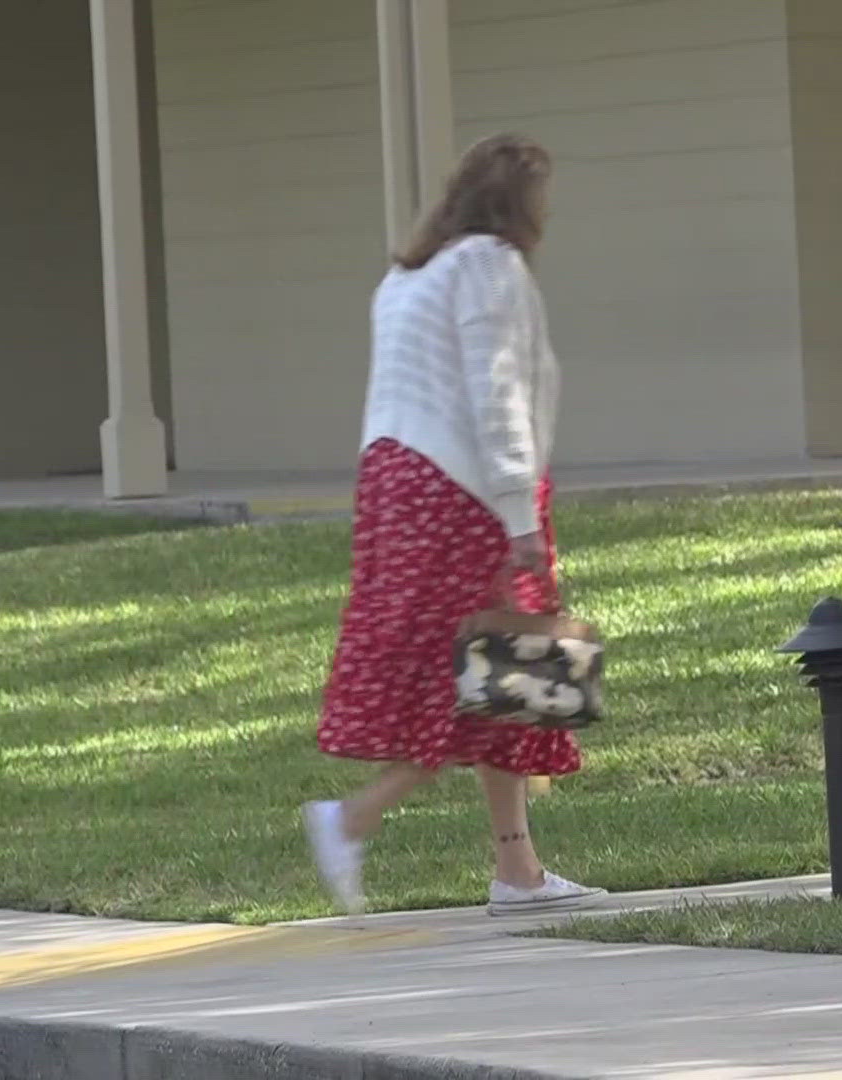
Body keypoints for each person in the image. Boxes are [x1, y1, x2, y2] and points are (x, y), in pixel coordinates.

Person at [301, 133, 604, 918]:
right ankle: (352, 818)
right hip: (463, 491)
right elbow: (494, 390)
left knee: (509, 672)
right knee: (479, 677)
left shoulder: (407, 275)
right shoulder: (486, 267)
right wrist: (517, 513)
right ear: (520, 206)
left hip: (394, 484)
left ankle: (519, 870)